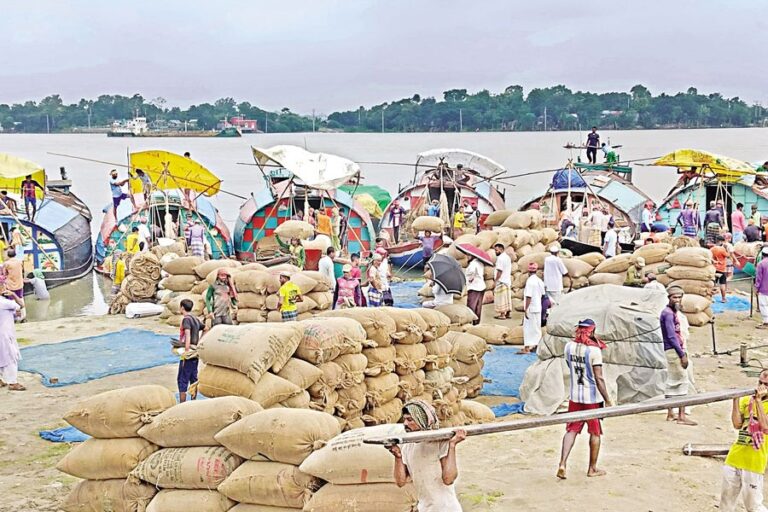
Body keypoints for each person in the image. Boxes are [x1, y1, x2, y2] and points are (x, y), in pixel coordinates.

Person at [388, 400, 466, 512]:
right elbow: (400, 482)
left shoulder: (440, 442)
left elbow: (449, 479)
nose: (405, 423)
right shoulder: (407, 446)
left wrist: (452, 445)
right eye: (404, 419)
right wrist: (398, 456)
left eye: (410, 420)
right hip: (424, 508)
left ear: (422, 420)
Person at [557, 318, 611, 480]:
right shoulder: (594, 351)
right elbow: (599, 378)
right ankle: (592, 468)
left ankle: (562, 463)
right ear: (592, 331)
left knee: (571, 429)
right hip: (591, 398)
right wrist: (607, 399)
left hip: (575, 395)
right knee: (595, 432)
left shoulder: (568, 347)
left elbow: (569, 366)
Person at [719, 371, 768, 512]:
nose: (762, 387)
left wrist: (759, 401)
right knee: (726, 503)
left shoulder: (758, 401)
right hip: (735, 457)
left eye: (766, 385)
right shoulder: (747, 400)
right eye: (760, 383)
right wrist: (735, 400)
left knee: (753, 506)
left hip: (754, 461)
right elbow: (737, 424)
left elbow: (765, 427)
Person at [661, 285, 696, 426]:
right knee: (683, 381)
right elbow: (671, 336)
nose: (677, 300)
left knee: (672, 381)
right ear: (668, 298)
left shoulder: (672, 312)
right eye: (674, 297)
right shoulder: (668, 314)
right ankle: (681, 416)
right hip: (674, 350)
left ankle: (670, 413)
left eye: (679, 297)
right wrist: (682, 354)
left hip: (672, 350)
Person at [0, 282, 25, 390]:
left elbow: (14, 314)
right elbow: (21, 305)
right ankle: (13, 383)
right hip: (5, 334)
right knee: (11, 357)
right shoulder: (5, 302)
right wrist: (13, 294)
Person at [177, 299, 203, 403]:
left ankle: (182, 405)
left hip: (188, 353)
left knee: (182, 380)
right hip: (195, 353)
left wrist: (186, 353)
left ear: (182, 307)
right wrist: (199, 343)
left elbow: (187, 335)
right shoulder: (195, 319)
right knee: (193, 379)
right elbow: (205, 328)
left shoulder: (186, 320)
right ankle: (193, 402)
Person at [521, 262, 546, 354]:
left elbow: (528, 296)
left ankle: (527, 348)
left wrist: (526, 309)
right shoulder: (539, 281)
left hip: (531, 307)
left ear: (528, 271)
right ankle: (536, 345)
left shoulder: (530, 281)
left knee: (528, 328)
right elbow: (543, 294)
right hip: (537, 307)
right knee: (536, 328)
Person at [465, 254, 486, 325]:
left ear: (472, 256)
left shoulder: (473, 264)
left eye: (468, 256)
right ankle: (477, 322)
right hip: (481, 286)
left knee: (471, 306)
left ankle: (471, 321)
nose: (467, 257)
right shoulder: (480, 262)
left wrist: (470, 279)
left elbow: (471, 273)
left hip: (474, 287)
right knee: (478, 306)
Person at [493, 243, 512, 320]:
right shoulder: (507, 257)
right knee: (507, 298)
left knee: (501, 299)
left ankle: (502, 314)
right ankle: (508, 313)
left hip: (501, 281)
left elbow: (500, 271)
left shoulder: (500, 258)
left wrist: (496, 280)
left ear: (501, 249)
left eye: (496, 250)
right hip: (507, 280)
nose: (495, 252)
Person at [712, 236, 729, 303]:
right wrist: (726, 248)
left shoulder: (712, 249)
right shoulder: (722, 249)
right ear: (721, 241)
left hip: (714, 268)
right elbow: (728, 255)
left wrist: (714, 261)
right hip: (722, 269)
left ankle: (711, 298)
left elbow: (709, 256)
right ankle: (723, 298)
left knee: (713, 284)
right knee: (722, 284)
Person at [755, 246, 768, 329]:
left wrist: (757, 288)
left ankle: (766, 322)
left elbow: (758, 278)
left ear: (762, 255)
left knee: (763, 305)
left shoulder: (761, 264)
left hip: (764, 289)